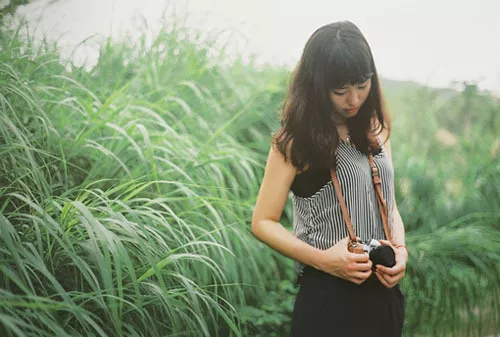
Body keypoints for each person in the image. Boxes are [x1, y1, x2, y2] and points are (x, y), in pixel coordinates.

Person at [251, 21, 408, 337]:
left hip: (384, 298)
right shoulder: (296, 141)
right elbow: (262, 222)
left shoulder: (375, 129)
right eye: (340, 90)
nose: (353, 99)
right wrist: (325, 261)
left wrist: (402, 250)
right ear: (317, 85)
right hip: (329, 302)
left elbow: (388, 204)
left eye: (362, 85)